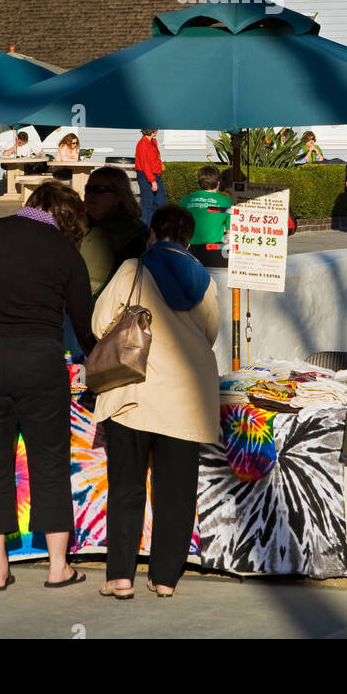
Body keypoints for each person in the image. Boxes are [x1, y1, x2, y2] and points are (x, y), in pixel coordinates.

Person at [0, 181, 94, 591]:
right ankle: (58, 567)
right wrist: (96, 359)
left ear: (31, 203)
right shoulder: (64, 251)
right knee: (49, 460)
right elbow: (84, 321)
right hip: (39, 362)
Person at [92, 204, 219, 599]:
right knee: (177, 493)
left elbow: (99, 325)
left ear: (152, 233)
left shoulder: (134, 268)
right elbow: (210, 333)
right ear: (189, 239)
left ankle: (120, 577)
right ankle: (164, 578)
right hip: (186, 401)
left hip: (135, 393)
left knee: (127, 487)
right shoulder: (206, 280)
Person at [81, 166, 149, 295]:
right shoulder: (79, 224)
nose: (90, 195)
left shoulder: (133, 235)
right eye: (88, 189)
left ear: (119, 196)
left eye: (99, 190)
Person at [179, 166, 232, 267]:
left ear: (199, 182)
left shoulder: (185, 200)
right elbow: (229, 234)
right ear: (218, 183)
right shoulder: (226, 202)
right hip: (215, 252)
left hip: (190, 250)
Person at [134, 129, 166, 226]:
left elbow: (153, 159)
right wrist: (152, 181)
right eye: (156, 129)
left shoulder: (152, 142)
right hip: (146, 176)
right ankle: (146, 230)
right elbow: (145, 165)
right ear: (152, 131)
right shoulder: (143, 144)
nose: (158, 130)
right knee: (148, 204)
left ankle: (157, 228)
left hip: (156, 175)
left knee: (160, 202)